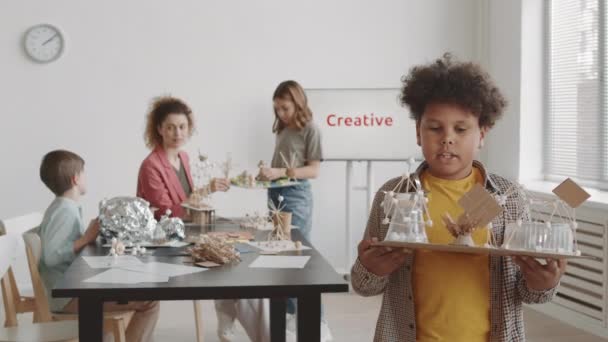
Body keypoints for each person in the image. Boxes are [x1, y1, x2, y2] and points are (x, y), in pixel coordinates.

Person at [351, 53, 566, 342]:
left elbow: (528, 293)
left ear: (482, 134)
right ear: (418, 132)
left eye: (461, 129)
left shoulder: (507, 197)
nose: (447, 138)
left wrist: (544, 283)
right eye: (435, 128)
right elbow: (364, 286)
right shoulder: (395, 194)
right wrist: (371, 269)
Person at [137, 96, 268, 342]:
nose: (177, 133)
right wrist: (206, 191)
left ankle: (232, 323)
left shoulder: (183, 158)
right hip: (164, 244)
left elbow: (188, 200)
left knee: (239, 254)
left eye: (182, 127)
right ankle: (257, 332)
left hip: (187, 234)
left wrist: (209, 189)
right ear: (159, 129)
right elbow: (168, 214)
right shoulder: (151, 165)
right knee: (237, 264)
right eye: (170, 127)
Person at [38, 149, 160, 342]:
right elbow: (51, 256)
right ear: (75, 179)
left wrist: (91, 236)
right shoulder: (64, 211)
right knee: (150, 301)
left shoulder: (63, 207)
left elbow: (66, 245)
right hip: (67, 298)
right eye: (83, 173)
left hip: (71, 290)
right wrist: (86, 238)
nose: (86, 177)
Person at [257, 80, 331, 341]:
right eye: (277, 109)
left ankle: (318, 324)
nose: (281, 114)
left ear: (298, 103)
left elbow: (313, 170)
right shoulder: (283, 128)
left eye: (285, 108)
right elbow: (284, 165)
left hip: (296, 196)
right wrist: (268, 174)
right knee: (279, 257)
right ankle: (289, 317)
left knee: (298, 258)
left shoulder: (310, 129)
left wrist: (281, 171)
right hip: (275, 192)